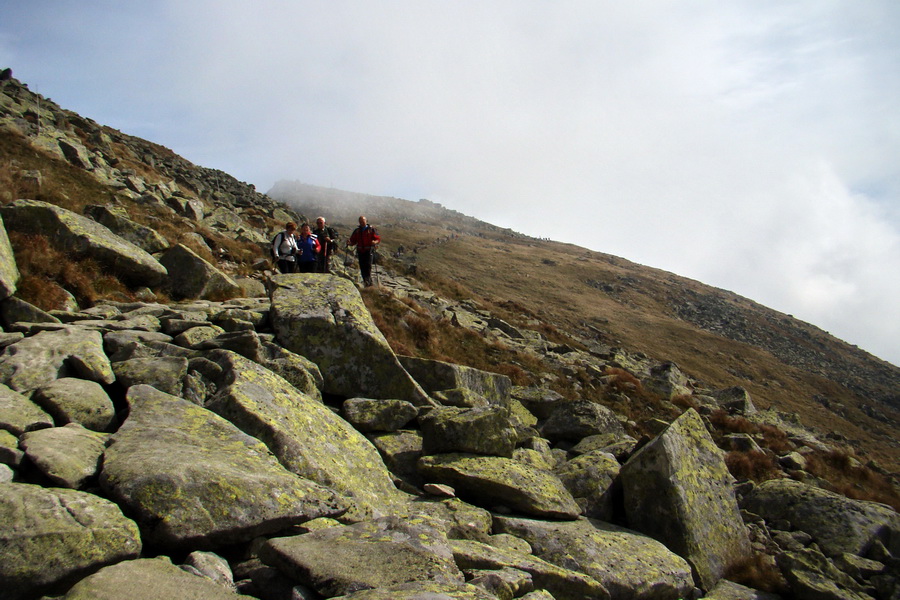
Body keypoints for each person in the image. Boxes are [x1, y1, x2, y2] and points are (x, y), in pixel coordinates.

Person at [347, 215, 380, 286]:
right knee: (362, 267)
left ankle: (369, 283)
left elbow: (378, 239)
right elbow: (353, 241)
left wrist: (375, 242)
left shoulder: (371, 229)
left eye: (363, 221)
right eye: (360, 221)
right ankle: (366, 282)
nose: (361, 223)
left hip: (368, 251)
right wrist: (350, 243)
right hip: (360, 251)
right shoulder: (357, 231)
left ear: (366, 221)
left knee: (368, 266)